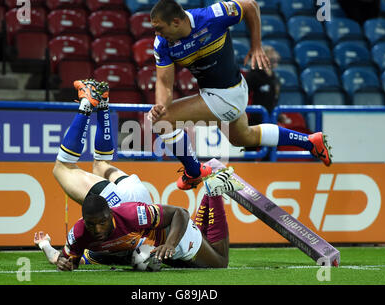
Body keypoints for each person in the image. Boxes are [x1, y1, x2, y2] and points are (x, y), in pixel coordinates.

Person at [35, 79, 243, 271]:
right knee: (100, 165)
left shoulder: (90, 240)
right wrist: (47, 246)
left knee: (63, 167)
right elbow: (64, 257)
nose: (97, 230)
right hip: (131, 200)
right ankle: (103, 104)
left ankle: (87, 106)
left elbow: (63, 258)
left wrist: (46, 245)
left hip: (125, 204)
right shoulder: (98, 248)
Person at [147, 0, 332, 191]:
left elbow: (250, 6)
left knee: (163, 121)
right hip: (223, 93)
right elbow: (163, 82)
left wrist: (257, 46)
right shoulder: (162, 44)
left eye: (160, 28)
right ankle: (310, 142)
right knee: (244, 137)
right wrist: (161, 105)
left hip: (227, 95)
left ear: (176, 22)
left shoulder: (212, 16)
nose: (157, 33)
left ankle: (194, 172)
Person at [246, 44, 281, 126]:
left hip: (270, 119)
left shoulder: (274, 77)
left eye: (275, 58)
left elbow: (273, 100)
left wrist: (279, 116)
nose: (275, 58)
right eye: (271, 57)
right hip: (254, 120)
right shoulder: (253, 75)